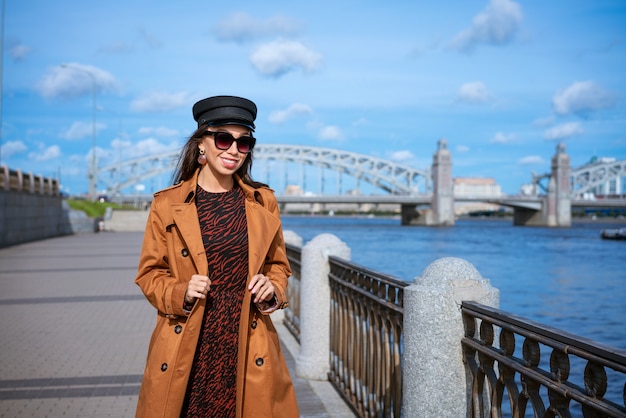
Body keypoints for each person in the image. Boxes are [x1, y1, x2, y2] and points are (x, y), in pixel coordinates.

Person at [134, 95, 300, 418]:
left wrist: (272, 289)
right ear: (201, 145)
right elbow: (150, 273)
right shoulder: (167, 205)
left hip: (247, 345)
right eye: (224, 138)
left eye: (244, 142)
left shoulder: (262, 202)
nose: (233, 150)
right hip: (189, 344)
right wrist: (180, 291)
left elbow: (279, 266)